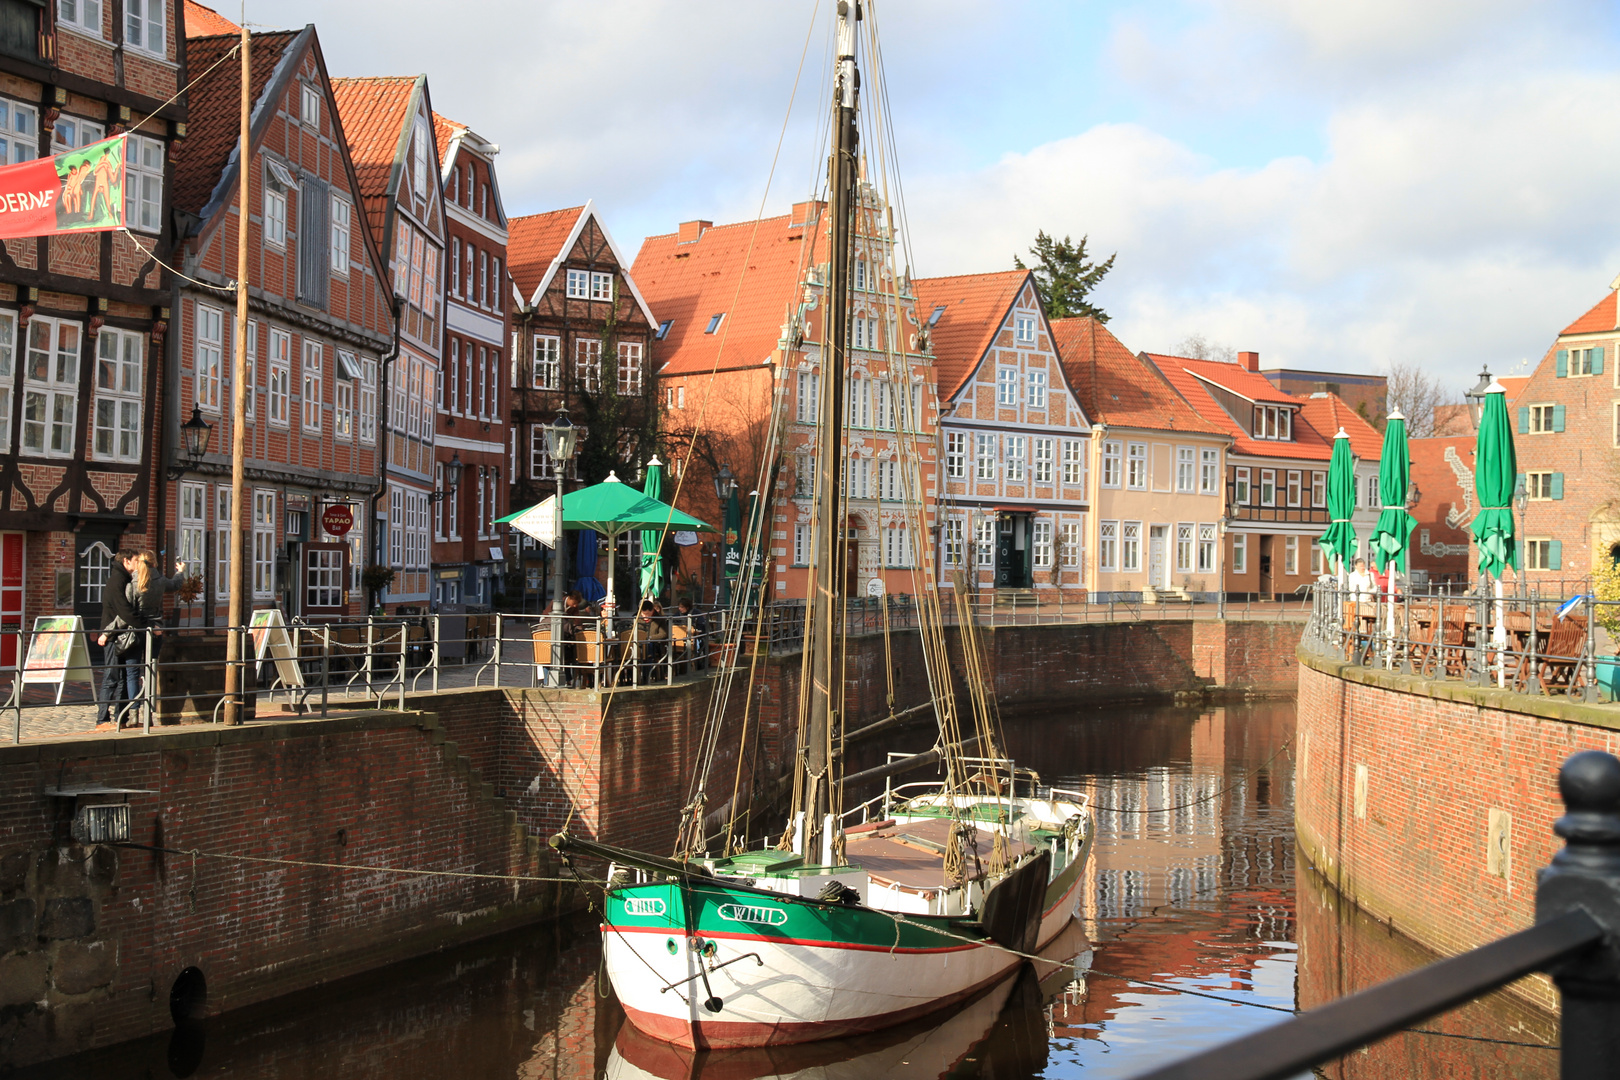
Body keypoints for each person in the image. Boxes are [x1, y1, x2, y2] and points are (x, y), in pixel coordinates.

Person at [94, 549, 142, 727]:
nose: (138, 563)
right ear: (126, 562)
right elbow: (124, 610)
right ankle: (102, 719)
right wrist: (142, 623)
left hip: (122, 635)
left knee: (122, 678)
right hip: (113, 636)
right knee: (111, 677)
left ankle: (120, 718)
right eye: (136, 560)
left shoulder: (125, 579)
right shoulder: (117, 580)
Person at [627, 598, 668, 683]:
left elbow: (663, 634)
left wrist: (649, 638)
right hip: (637, 644)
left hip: (654, 645)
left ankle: (646, 677)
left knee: (648, 649)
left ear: (652, 611)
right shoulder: (637, 618)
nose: (645, 616)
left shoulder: (659, 619)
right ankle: (630, 678)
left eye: (648, 614)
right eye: (643, 614)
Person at [675, 597, 709, 671]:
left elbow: (702, 626)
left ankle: (696, 662)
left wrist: (697, 631)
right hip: (680, 638)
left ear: (687, 607)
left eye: (682, 607)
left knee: (696, 644)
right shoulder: (677, 614)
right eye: (679, 607)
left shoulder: (696, 613)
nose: (680, 609)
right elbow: (674, 625)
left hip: (694, 636)